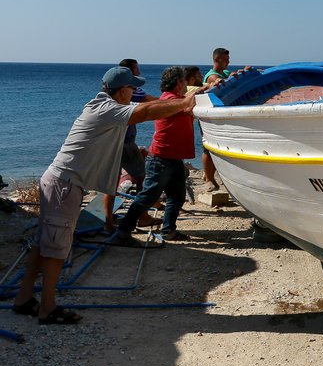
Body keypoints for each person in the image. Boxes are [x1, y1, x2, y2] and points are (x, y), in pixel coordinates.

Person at [12, 66, 200, 324]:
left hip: (59, 183)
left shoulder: (101, 105)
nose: (135, 93)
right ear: (123, 91)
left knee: (43, 244)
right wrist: (184, 103)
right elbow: (145, 112)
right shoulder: (108, 109)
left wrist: (187, 99)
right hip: (65, 186)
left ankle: (23, 299)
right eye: (132, 89)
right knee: (56, 250)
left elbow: (149, 103)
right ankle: (47, 309)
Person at [116, 66, 200, 244]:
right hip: (161, 159)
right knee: (147, 196)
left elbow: (187, 103)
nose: (186, 84)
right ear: (179, 83)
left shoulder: (176, 99)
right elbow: (184, 109)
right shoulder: (168, 101)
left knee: (177, 196)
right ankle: (123, 229)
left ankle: (168, 230)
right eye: (184, 81)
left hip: (173, 158)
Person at [103, 58, 158, 232]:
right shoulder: (130, 91)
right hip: (125, 143)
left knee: (110, 185)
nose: (139, 73)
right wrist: (181, 102)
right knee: (143, 178)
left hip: (113, 144)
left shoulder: (107, 97)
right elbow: (153, 103)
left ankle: (109, 223)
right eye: (136, 70)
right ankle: (142, 217)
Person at [201, 48, 230, 190]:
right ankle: (209, 178)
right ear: (216, 60)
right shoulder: (211, 76)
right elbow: (217, 81)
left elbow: (230, 76)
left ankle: (210, 175)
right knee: (208, 147)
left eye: (228, 59)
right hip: (210, 116)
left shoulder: (224, 72)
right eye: (225, 60)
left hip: (219, 115)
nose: (228, 62)